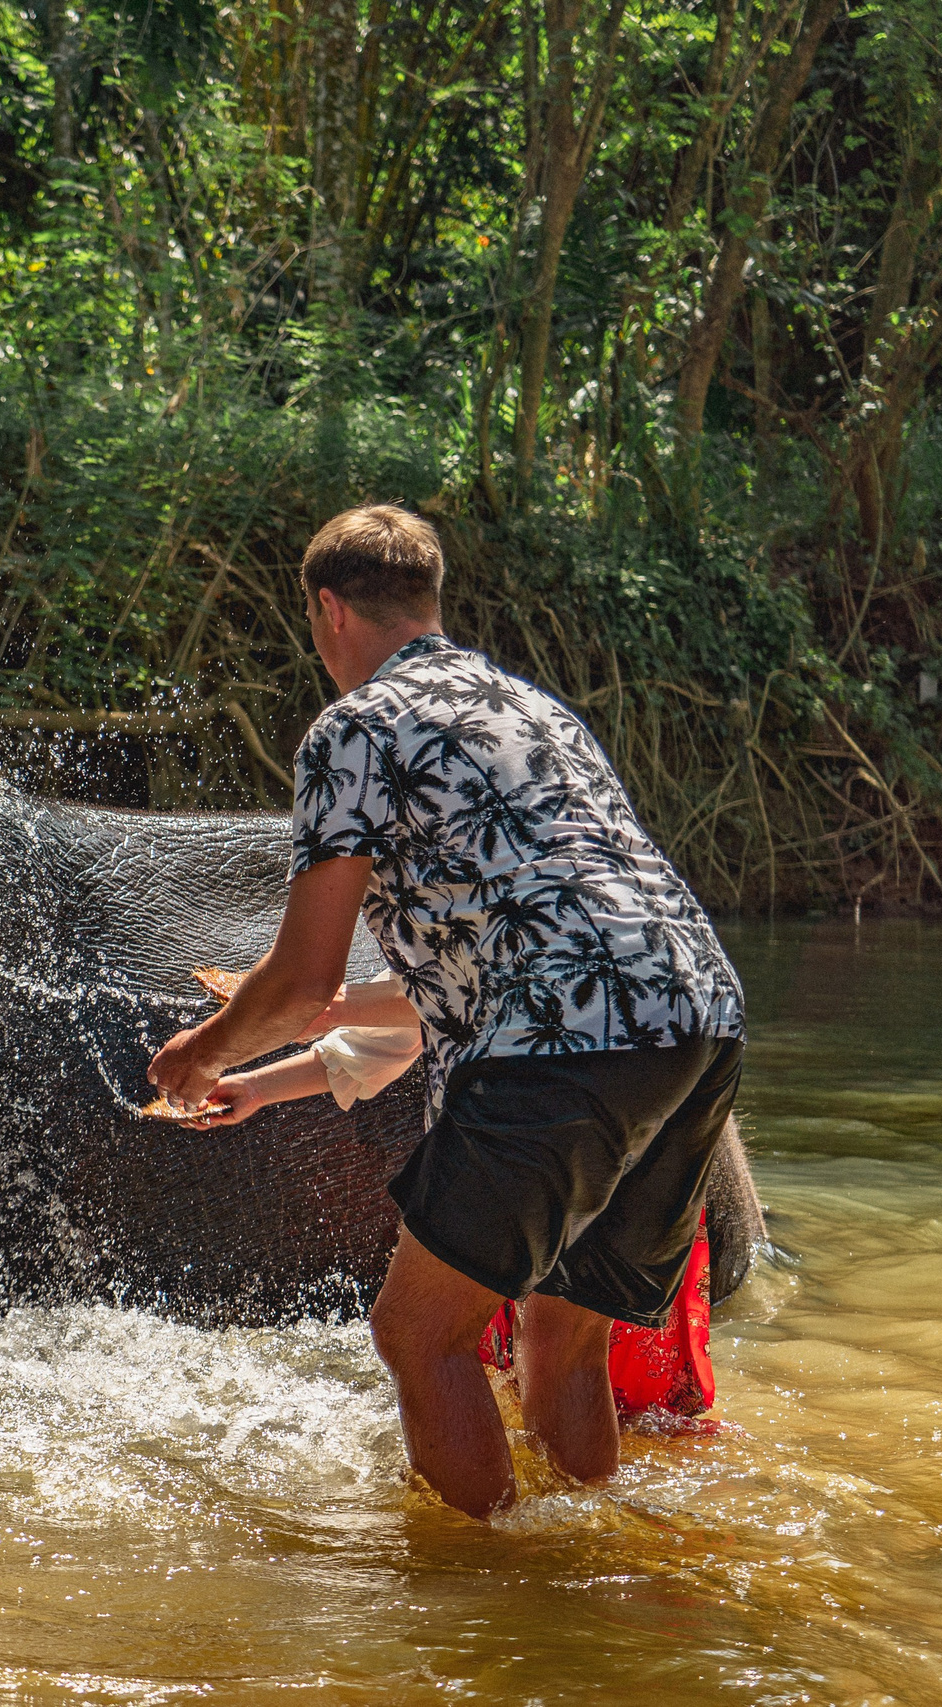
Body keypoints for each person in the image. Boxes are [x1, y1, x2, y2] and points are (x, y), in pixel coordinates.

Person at [149, 504, 744, 1521]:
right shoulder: (534, 712)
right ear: (428, 602)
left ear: (326, 610)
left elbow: (297, 982)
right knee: (562, 1338)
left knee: (417, 1336)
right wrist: (273, 1062)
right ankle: (586, 1581)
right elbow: (503, 966)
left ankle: (484, 1615)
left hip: (568, 1039)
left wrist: (198, 1057)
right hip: (697, 1016)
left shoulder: (354, 729)